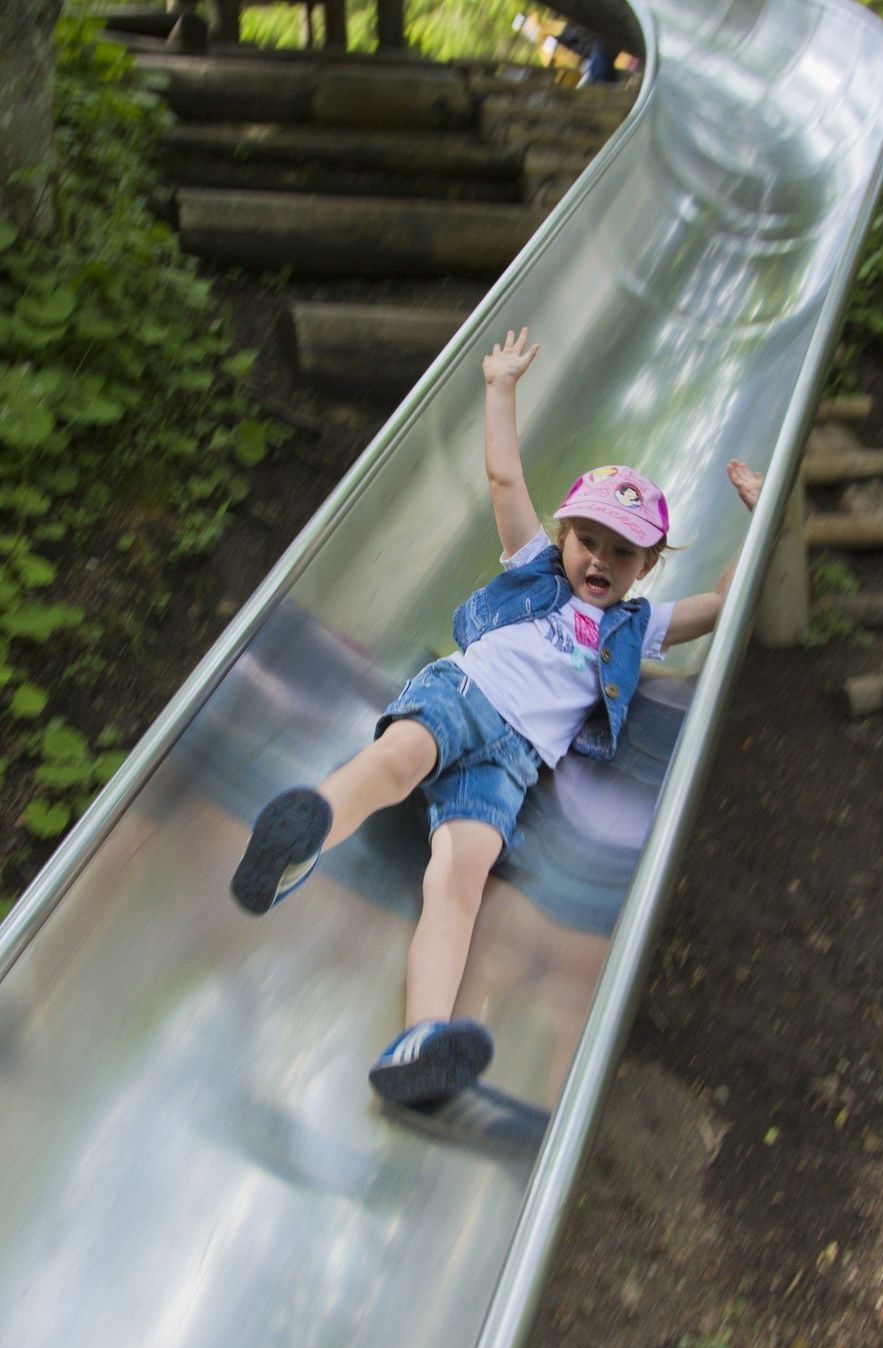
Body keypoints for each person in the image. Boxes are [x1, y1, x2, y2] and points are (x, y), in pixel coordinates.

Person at [231, 327, 762, 1108]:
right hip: (466, 692)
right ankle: (300, 835)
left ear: (647, 567)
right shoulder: (534, 570)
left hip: (515, 760)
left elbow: (721, 605)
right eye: (589, 540)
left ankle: (419, 1041)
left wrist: (759, 514)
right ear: (563, 534)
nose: (599, 561)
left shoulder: (635, 625)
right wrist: (500, 387)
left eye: (622, 554)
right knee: (398, 761)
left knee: (460, 879)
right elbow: (504, 478)